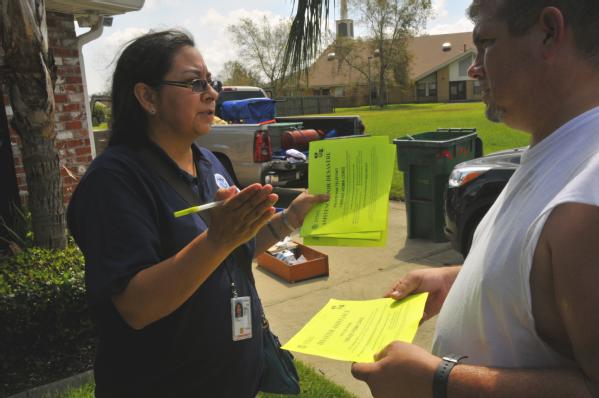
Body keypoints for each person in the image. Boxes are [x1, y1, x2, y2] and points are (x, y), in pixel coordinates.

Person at [351, 1, 599, 397]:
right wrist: (455, 279)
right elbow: (534, 276)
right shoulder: (555, 149)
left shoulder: (588, 198)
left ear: (548, 33)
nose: (474, 66)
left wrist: (438, 382)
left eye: (486, 42)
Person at [67, 30, 328, 397]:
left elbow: (236, 249)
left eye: (211, 81)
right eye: (194, 83)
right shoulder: (114, 182)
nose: (212, 93)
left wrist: (289, 220)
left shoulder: (209, 162)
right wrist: (217, 239)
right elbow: (135, 306)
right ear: (147, 97)